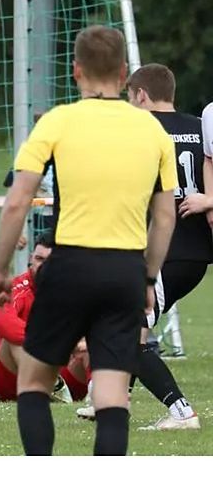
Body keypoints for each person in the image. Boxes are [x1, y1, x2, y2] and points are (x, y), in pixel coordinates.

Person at [0, 25, 177, 456]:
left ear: (76, 71)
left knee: (34, 382)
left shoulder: (58, 120)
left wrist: (0, 270)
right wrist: (147, 279)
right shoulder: (152, 131)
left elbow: (18, 202)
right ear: (125, 73)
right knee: (112, 397)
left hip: (70, 265)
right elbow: (165, 217)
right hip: (125, 270)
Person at [100, 63, 204, 430]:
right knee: (134, 325)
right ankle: (113, 401)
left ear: (141, 95)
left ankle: (181, 412)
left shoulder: (140, 129)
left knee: (126, 332)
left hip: (163, 250)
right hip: (196, 253)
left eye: (131, 96)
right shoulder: (198, 127)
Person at [0, 234, 89, 404]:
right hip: (12, 381)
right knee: (13, 339)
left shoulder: (77, 289)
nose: (42, 265)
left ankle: (99, 393)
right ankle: (49, 385)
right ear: (31, 259)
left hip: (64, 375)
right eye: (39, 259)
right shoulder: (17, 287)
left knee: (94, 341)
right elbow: (3, 323)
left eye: (49, 260)